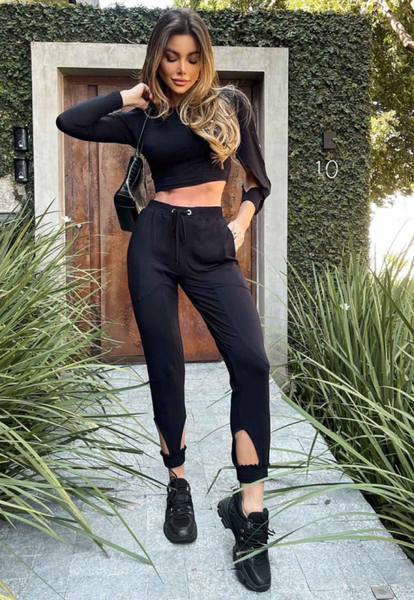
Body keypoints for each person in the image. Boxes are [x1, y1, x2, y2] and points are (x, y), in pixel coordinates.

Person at [56, 7, 274, 593]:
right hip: (152, 242)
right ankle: (178, 484)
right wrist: (128, 94)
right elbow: (70, 120)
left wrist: (240, 223)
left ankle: (250, 511)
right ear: (157, 58)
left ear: (206, 60)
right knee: (166, 366)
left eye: (193, 58)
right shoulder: (143, 116)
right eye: (172, 57)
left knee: (252, 363)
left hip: (210, 242)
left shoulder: (229, 105)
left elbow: (259, 181)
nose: (182, 69)